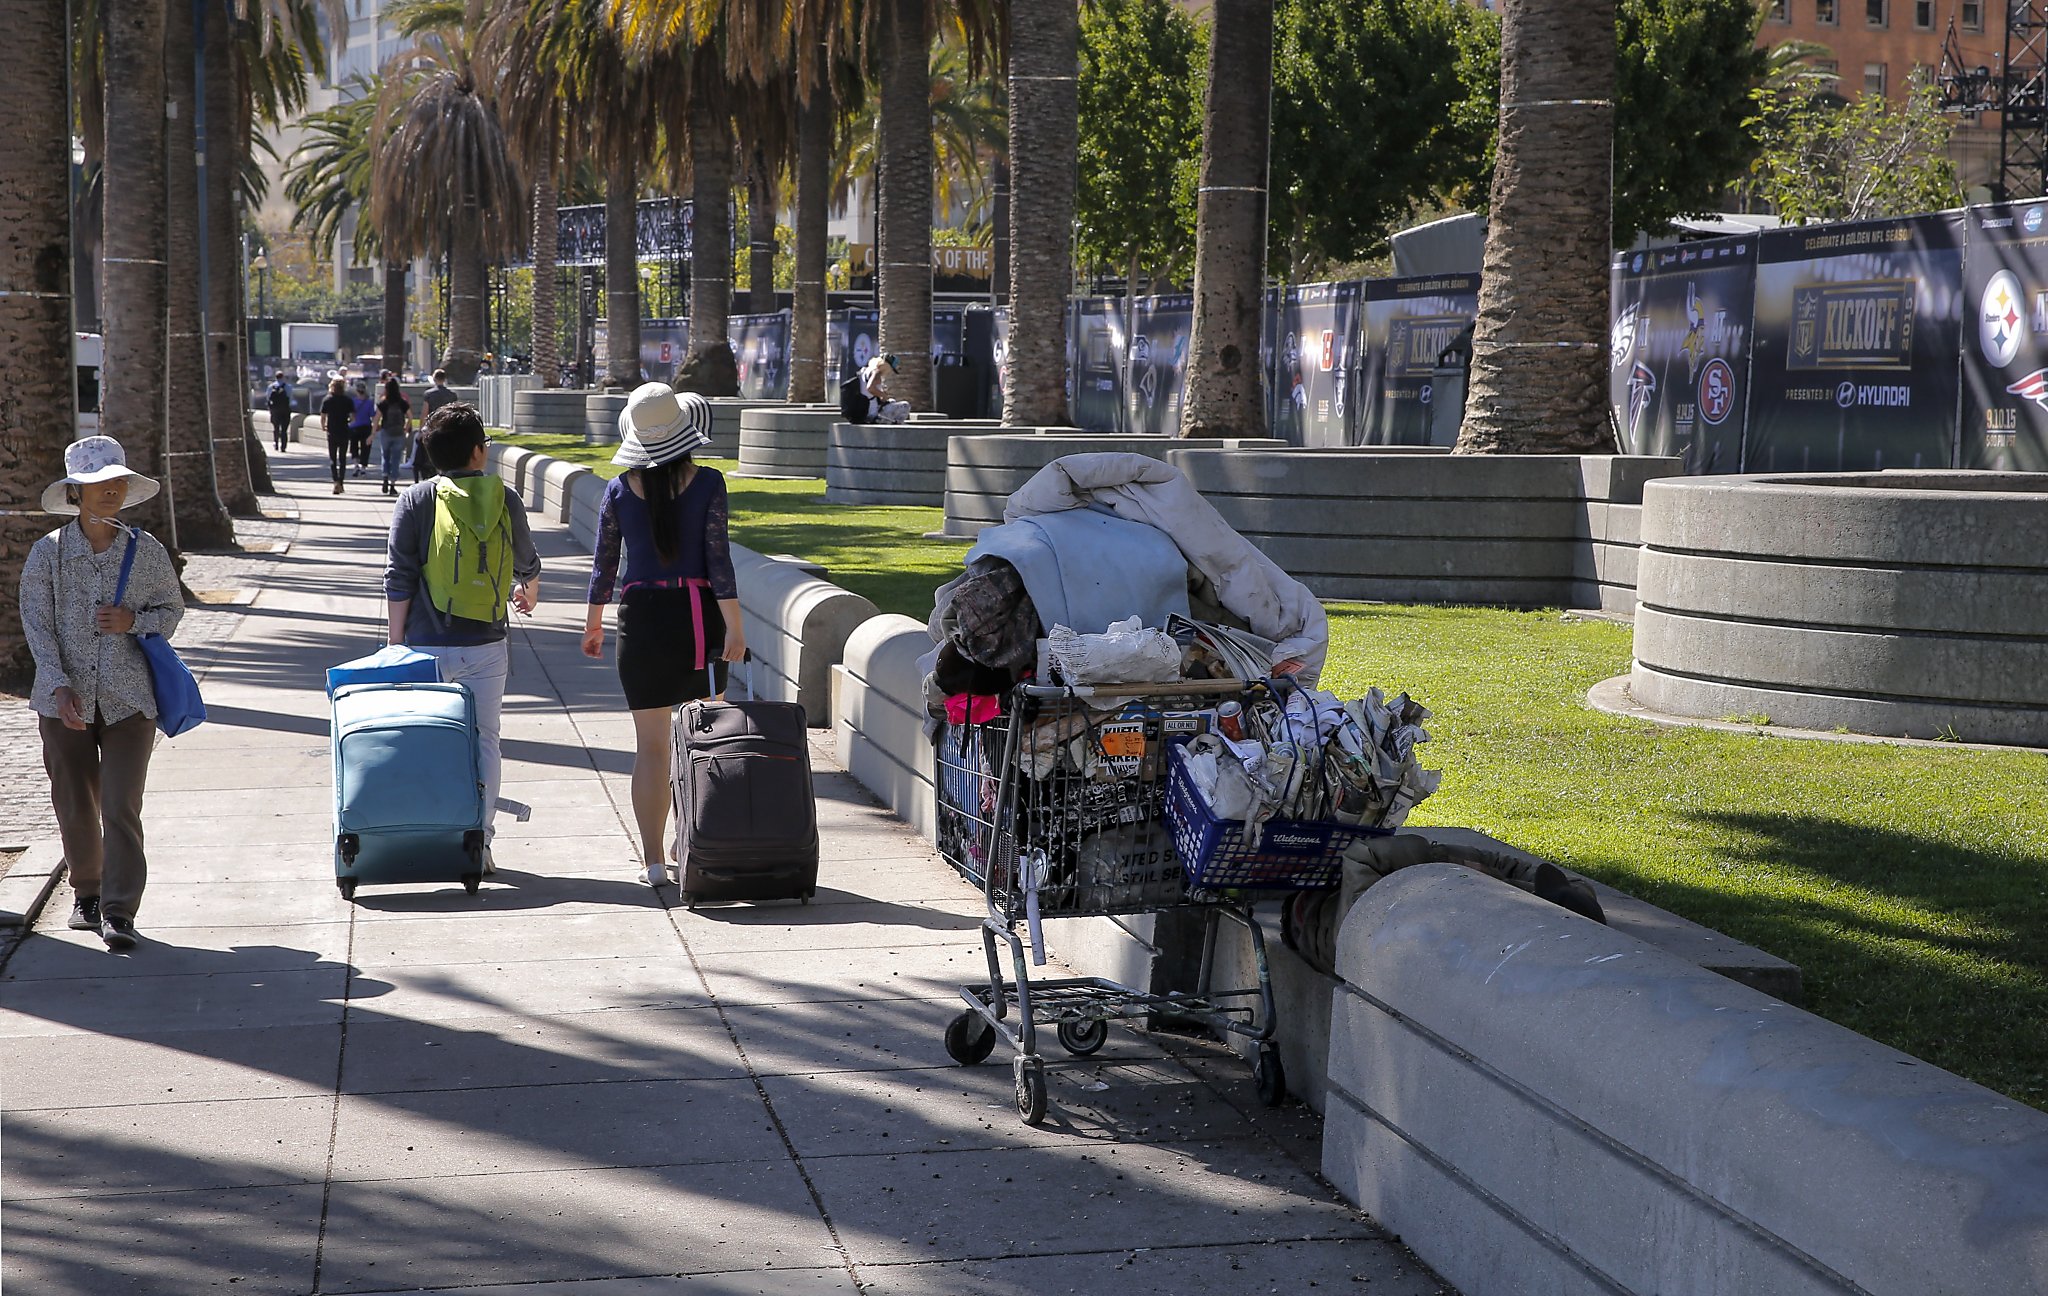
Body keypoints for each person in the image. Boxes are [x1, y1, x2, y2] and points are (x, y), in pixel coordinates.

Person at [18, 437, 185, 951]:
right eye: (97, 483)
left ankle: (119, 911)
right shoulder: (48, 553)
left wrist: (136, 621)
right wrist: (57, 681)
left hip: (128, 700)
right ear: (76, 493)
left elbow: (171, 611)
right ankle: (86, 893)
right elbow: (37, 624)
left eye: (116, 481)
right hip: (62, 699)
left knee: (119, 805)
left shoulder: (147, 550)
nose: (110, 490)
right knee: (74, 802)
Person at [581, 383, 745, 888]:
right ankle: (689, 843)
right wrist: (735, 627)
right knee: (701, 743)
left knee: (650, 747)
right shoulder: (710, 483)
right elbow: (719, 563)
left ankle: (653, 861)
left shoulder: (617, 489)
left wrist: (592, 624)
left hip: (641, 618)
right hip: (699, 618)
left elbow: (604, 565)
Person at [385, 403, 542, 871]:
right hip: (487, 645)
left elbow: (400, 577)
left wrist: (397, 644)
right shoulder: (504, 497)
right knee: (484, 739)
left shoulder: (414, 500)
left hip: (424, 645)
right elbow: (527, 561)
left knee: (428, 739)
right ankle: (481, 840)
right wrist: (525, 588)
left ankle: (433, 833)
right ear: (478, 452)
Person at [375, 377, 412, 496]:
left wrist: (372, 433)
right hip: (399, 433)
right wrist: (406, 428)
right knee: (396, 459)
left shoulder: (384, 402)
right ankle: (392, 484)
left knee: (385, 456)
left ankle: (385, 477)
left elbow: (376, 419)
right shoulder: (402, 402)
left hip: (386, 432)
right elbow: (410, 417)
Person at [320, 376, 355, 494]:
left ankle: (335, 482)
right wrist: (348, 422)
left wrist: (323, 426)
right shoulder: (347, 400)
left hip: (332, 431)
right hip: (344, 431)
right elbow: (353, 417)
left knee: (333, 458)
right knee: (343, 459)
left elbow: (323, 416)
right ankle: (341, 482)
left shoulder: (327, 399)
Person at [860, 352, 911, 424]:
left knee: (892, 401)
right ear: (886, 365)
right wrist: (883, 395)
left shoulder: (866, 370)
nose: (889, 372)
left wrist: (882, 397)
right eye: (891, 369)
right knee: (905, 405)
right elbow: (870, 388)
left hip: (866, 410)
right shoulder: (876, 372)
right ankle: (898, 426)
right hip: (872, 414)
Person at [349, 381, 376, 476]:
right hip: (366, 426)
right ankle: (363, 467)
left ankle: (356, 465)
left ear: (356, 391)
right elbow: (372, 416)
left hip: (354, 427)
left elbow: (352, 415)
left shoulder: (353, 401)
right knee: (365, 448)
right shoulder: (369, 402)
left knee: (354, 446)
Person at [266, 372, 294, 452]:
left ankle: (276, 443)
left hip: (275, 411)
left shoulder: (271, 387)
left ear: (276, 377)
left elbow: (268, 398)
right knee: (284, 429)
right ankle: (283, 446)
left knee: (276, 427)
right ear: (283, 377)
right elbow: (290, 399)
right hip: (285, 410)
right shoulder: (288, 387)